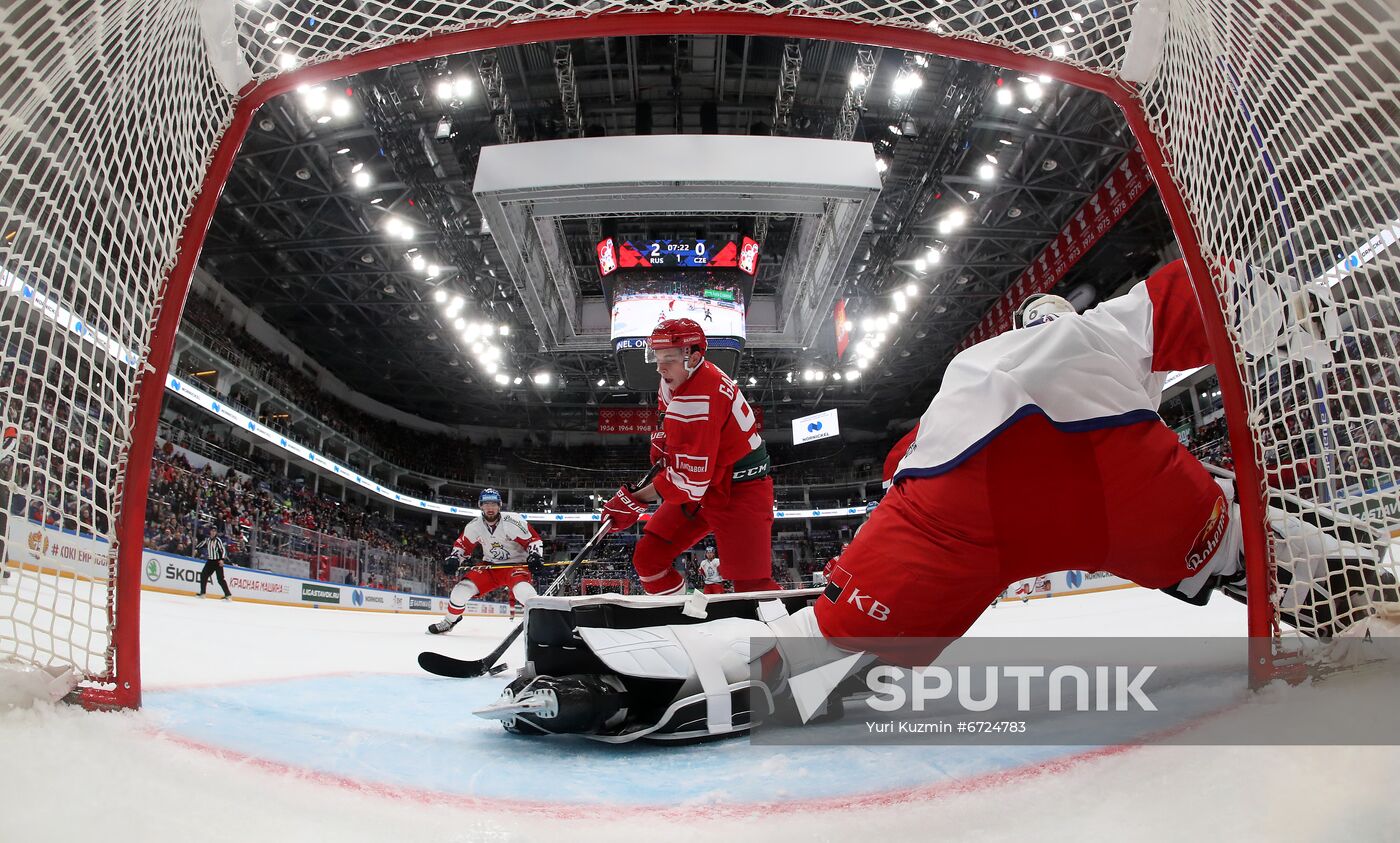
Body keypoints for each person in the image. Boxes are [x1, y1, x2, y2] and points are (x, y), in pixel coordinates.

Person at [484, 260, 1382, 739]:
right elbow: (1196, 296)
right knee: (1232, 548)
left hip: (958, 499)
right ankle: (1315, 569)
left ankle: (633, 680)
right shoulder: (1089, 328)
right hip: (1123, 476)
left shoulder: (978, 367)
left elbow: (901, 472)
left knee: (820, 649)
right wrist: (1294, 315)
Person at [600, 318, 780, 595]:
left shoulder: (697, 401)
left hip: (742, 490)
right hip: (710, 483)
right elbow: (664, 407)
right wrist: (662, 440)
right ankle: (680, 621)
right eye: (657, 357)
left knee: (753, 587)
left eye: (668, 359)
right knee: (649, 559)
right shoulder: (680, 375)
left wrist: (634, 499)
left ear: (693, 356)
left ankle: (786, 637)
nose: (660, 367)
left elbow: (687, 484)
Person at [428, 489, 542, 635]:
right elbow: (462, 546)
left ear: (500, 505)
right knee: (460, 591)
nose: (490, 507)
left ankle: (539, 625)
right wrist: (454, 558)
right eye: (486, 503)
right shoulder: (474, 526)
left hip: (516, 566)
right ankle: (449, 621)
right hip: (490, 566)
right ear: (480, 506)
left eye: (493, 504)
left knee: (524, 592)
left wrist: (535, 555)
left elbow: (533, 540)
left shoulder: (513, 521)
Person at [195, 527, 231, 601]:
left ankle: (228, 595)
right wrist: (196, 548)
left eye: (215, 531)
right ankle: (203, 593)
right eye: (212, 531)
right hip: (210, 561)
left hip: (217, 561)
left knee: (220, 579)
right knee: (203, 575)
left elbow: (223, 550)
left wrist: (222, 559)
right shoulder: (207, 539)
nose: (213, 532)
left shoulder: (218, 540)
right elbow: (200, 545)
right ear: (210, 531)